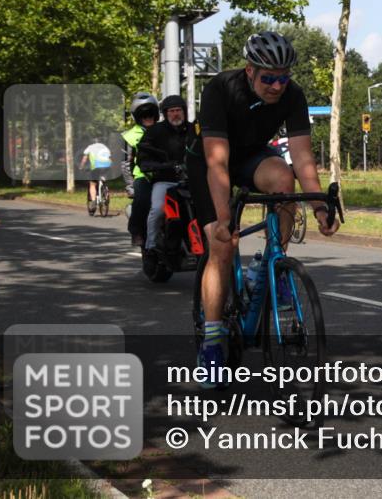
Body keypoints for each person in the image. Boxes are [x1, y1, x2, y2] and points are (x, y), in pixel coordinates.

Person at [188, 31, 339, 387]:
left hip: (253, 157)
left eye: (283, 78)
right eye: (269, 78)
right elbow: (218, 164)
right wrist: (224, 218)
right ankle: (212, 344)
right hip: (210, 162)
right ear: (250, 71)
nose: (276, 86)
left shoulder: (294, 95)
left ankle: (272, 263)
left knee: (284, 180)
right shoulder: (221, 89)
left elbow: (302, 157)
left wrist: (319, 206)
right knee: (222, 246)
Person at [137, 95, 194, 276]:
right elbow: (143, 158)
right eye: (171, 111)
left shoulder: (195, 130)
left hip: (193, 182)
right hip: (166, 180)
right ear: (165, 113)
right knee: (158, 209)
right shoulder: (155, 131)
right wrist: (164, 166)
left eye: (178, 110)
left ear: (184, 111)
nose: (176, 114)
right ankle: (151, 246)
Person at [122, 92, 159, 246]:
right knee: (142, 199)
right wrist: (130, 186)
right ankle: (136, 231)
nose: (148, 117)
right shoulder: (129, 136)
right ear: (137, 117)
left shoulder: (164, 130)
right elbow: (125, 164)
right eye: (144, 115)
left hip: (167, 175)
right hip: (142, 176)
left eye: (150, 114)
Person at [79, 137, 112, 212]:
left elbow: (84, 159)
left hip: (96, 167)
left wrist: (81, 166)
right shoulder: (105, 147)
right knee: (103, 177)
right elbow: (110, 159)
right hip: (106, 166)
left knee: (92, 184)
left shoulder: (90, 147)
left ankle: (93, 201)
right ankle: (106, 192)